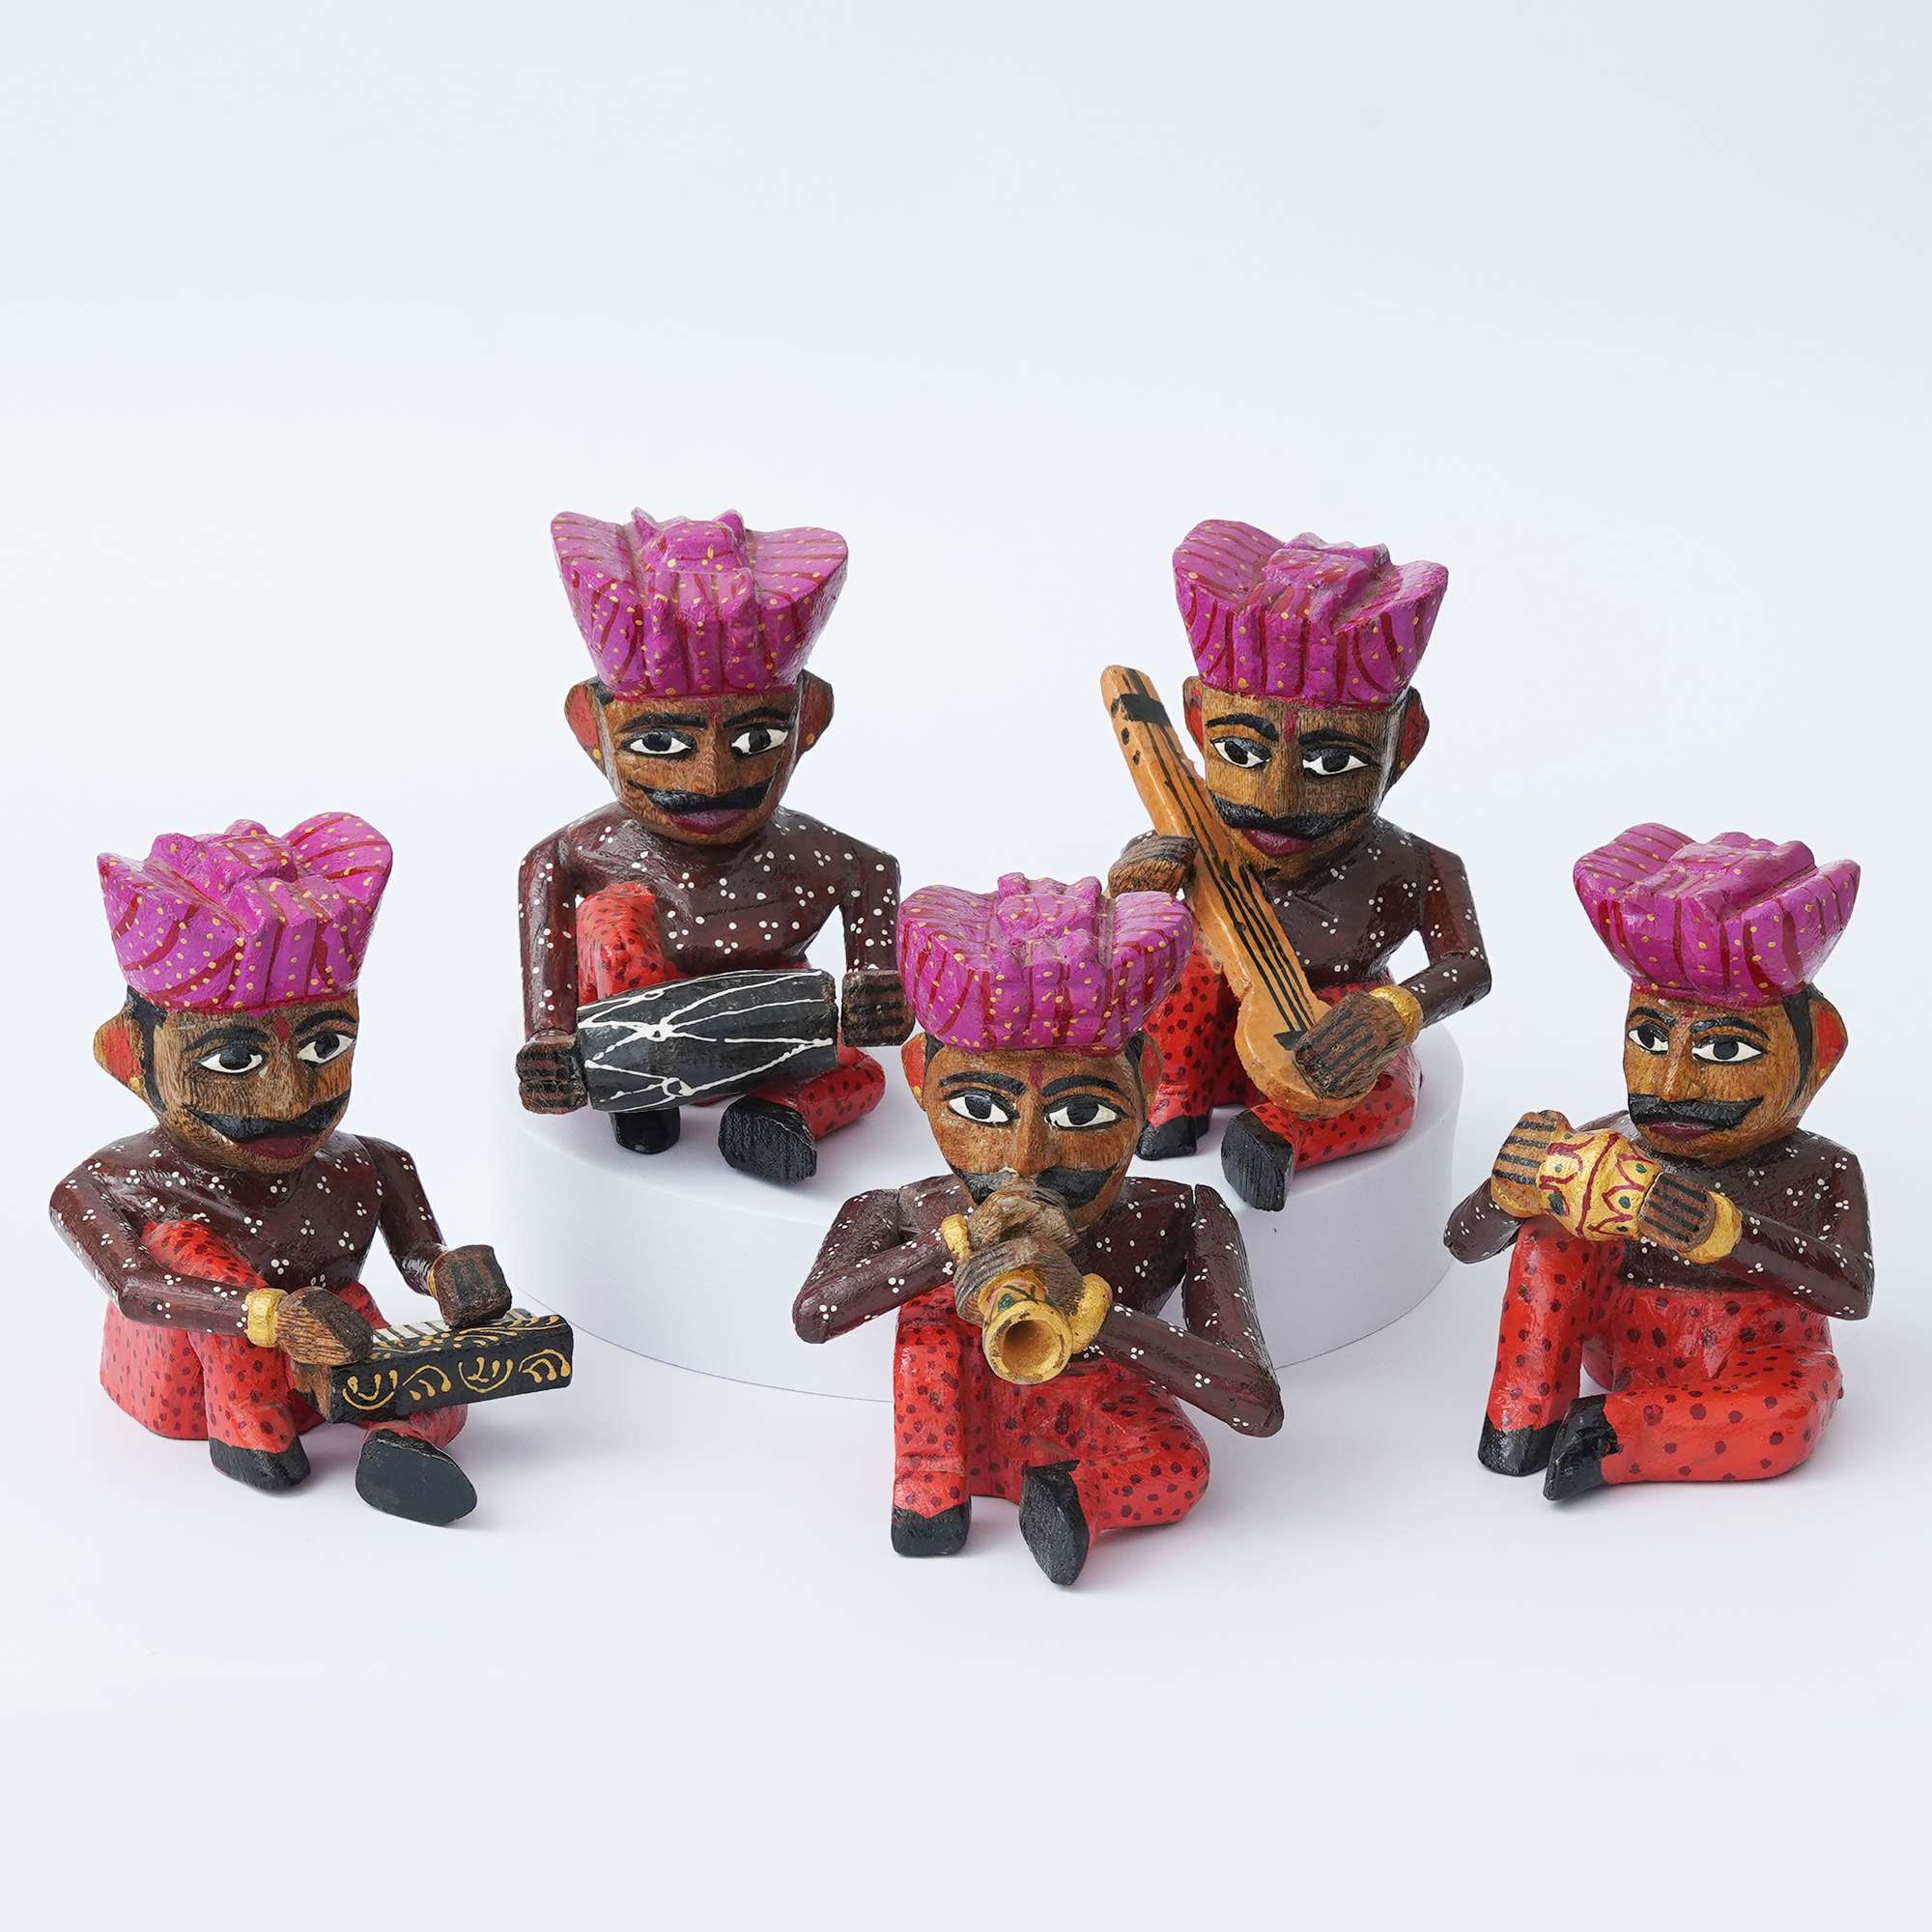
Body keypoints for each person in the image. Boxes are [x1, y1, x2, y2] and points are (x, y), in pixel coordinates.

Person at [794, 871, 1282, 1585]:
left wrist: (1092, 1316)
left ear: (1147, 1080)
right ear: (920, 1078)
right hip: (954, 1416)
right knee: (930, 1322)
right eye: (981, 1111)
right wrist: (952, 1249)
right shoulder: (906, 1206)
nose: (1025, 1159)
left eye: (1081, 1115)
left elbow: (1254, 1405)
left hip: (1093, 1412)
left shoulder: (1182, 1213)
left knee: (1180, 1466)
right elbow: (814, 1316)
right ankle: (929, 1491)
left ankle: (1070, 1498)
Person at [50, 813, 514, 1523]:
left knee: (425, 1373)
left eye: (324, 1047)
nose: (289, 1099)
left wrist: (450, 1274)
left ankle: (400, 1442)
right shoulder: (107, 1183)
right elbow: (138, 1289)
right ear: (128, 1058)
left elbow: (416, 1255)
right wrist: (267, 1315)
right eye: (232, 1060)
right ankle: (246, 1428)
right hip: (187, 1379)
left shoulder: (372, 1161)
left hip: (333, 1335)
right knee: (185, 1247)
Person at [1445, 823, 1870, 1498]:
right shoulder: (1610, 1142)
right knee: (1551, 1230)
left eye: (1723, 1051)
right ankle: (1524, 1416)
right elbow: (1462, 1243)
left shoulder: (1824, 1168)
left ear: (1818, 1055)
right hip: (1616, 1340)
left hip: (1760, 1355)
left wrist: (1721, 1232)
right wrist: (1508, 1191)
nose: (1670, 1086)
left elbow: (1850, 1291)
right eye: (1649, 1038)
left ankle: (1622, 1433)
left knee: (1788, 1418)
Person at [517, 507, 912, 1182]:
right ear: (593, 729)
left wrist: (875, 978)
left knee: (862, 1073)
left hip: (769, 1024)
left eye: (756, 739)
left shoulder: (817, 853)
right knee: (609, 922)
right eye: (660, 743)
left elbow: (875, 872)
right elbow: (542, 876)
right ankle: (641, 1089)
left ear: (808, 720)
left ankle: (772, 1115)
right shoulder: (593, 847)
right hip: (627, 1025)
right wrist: (550, 1033)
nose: (711, 781)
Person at [1110, 522, 1489, 1208]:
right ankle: (1172, 1094)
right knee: (1191, 973)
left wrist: (1396, 1013)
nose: (1276, 800)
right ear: (1196, 723)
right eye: (1241, 753)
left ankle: (1284, 1135)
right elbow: (1124, 939)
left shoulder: (1419, 862)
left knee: (1384, 1088)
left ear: (1403, 742)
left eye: (1331, 762)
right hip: (1207, 1040)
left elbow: (1468, 966)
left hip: (1333, 1035)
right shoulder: (1195, 835)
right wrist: (1137, 887)